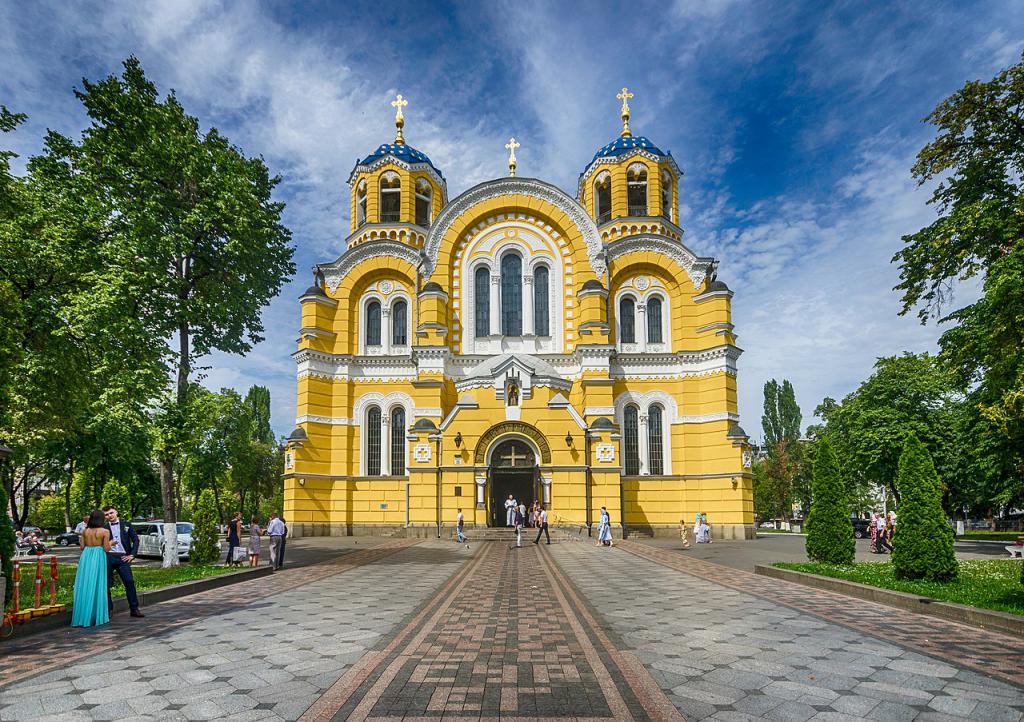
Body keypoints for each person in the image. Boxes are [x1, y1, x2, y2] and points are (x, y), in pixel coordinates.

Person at [71, 509, 111, 628]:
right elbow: (107, 548)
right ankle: (96, 615)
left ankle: (83, 615)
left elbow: (82, 547)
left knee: (85, 583)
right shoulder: (105, 531)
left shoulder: (84, 531)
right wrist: (112, 543)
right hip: (98, 556)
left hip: (86, 557)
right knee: (97, 583)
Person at [103, 506, 144, 618]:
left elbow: (135, 540)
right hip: (109, 557)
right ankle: (109, 610)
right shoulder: (104, 527)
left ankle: (134, 609)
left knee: (129, 581)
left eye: (111, 513)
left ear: (116, 512)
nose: (109, 516)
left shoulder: (126, 524)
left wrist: (132, 555)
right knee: (105, 584)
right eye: (106, 515)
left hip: (123, 557)